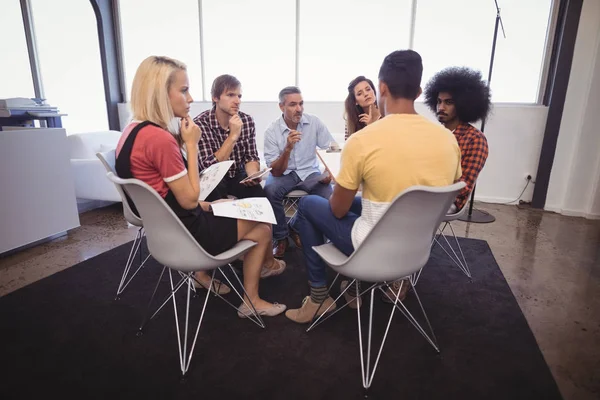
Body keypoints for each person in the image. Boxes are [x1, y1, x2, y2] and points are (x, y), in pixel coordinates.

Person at [285, 50, 462, 323]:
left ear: (381, 88)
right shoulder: (448, 140)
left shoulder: (363, 140)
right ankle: (352, 285)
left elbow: (339, 210)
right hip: (416, 249)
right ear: (419, 90)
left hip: (370, 249)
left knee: (309, 205)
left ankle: (319, 296)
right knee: (364, 204)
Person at [116, 56, 286, 318]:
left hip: (165, 229)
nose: (190, 98)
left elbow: (168, 196)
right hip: (189, 233)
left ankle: (231, 275)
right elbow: (188, 198)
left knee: (243, 203)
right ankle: (251, 301)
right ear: (161, 93)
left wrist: (210, 204)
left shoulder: (131, 131)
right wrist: (191, 145)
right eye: (183, 90)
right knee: (262, 229)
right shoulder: (159, 139)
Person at [263, 86, 335, 258]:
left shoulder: (314, 122)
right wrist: (287, 148)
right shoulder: (271, 131)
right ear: (281, 107)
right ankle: (281, 238)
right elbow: (276, 172)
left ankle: (294, 226)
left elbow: (332, 149)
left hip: (310, 172)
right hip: (285, 173)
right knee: (269, 190)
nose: (299, 109)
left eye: (301, 104)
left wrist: (328, 172)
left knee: (329, 196)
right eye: (293, 104)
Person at [424, 67, 491, 212]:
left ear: (462, 104)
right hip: (422, 193)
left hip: (448, 201)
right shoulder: (434, 134)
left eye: (448, 102)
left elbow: (463, 186)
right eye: (439, 101)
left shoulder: (475, 139)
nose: (441, 107)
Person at [193, 75, 265, 201]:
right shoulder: (200, 124)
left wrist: (252, 175)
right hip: (211, 179)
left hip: (236, 174)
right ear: (215, 97)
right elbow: (209, 168)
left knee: (260, 195)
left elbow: (251, 156)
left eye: (239, 96)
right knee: (220, 202)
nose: (237, 101)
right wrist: (232, 136)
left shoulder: (246, 121)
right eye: (231, 95)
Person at [344, 76, 381, 140]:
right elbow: (349, 146)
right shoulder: (352, 121)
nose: (366, 94)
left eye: (368, 89)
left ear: (374, 91)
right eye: (359, 94)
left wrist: (371, 126)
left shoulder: (386, 114)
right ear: (356, 101)